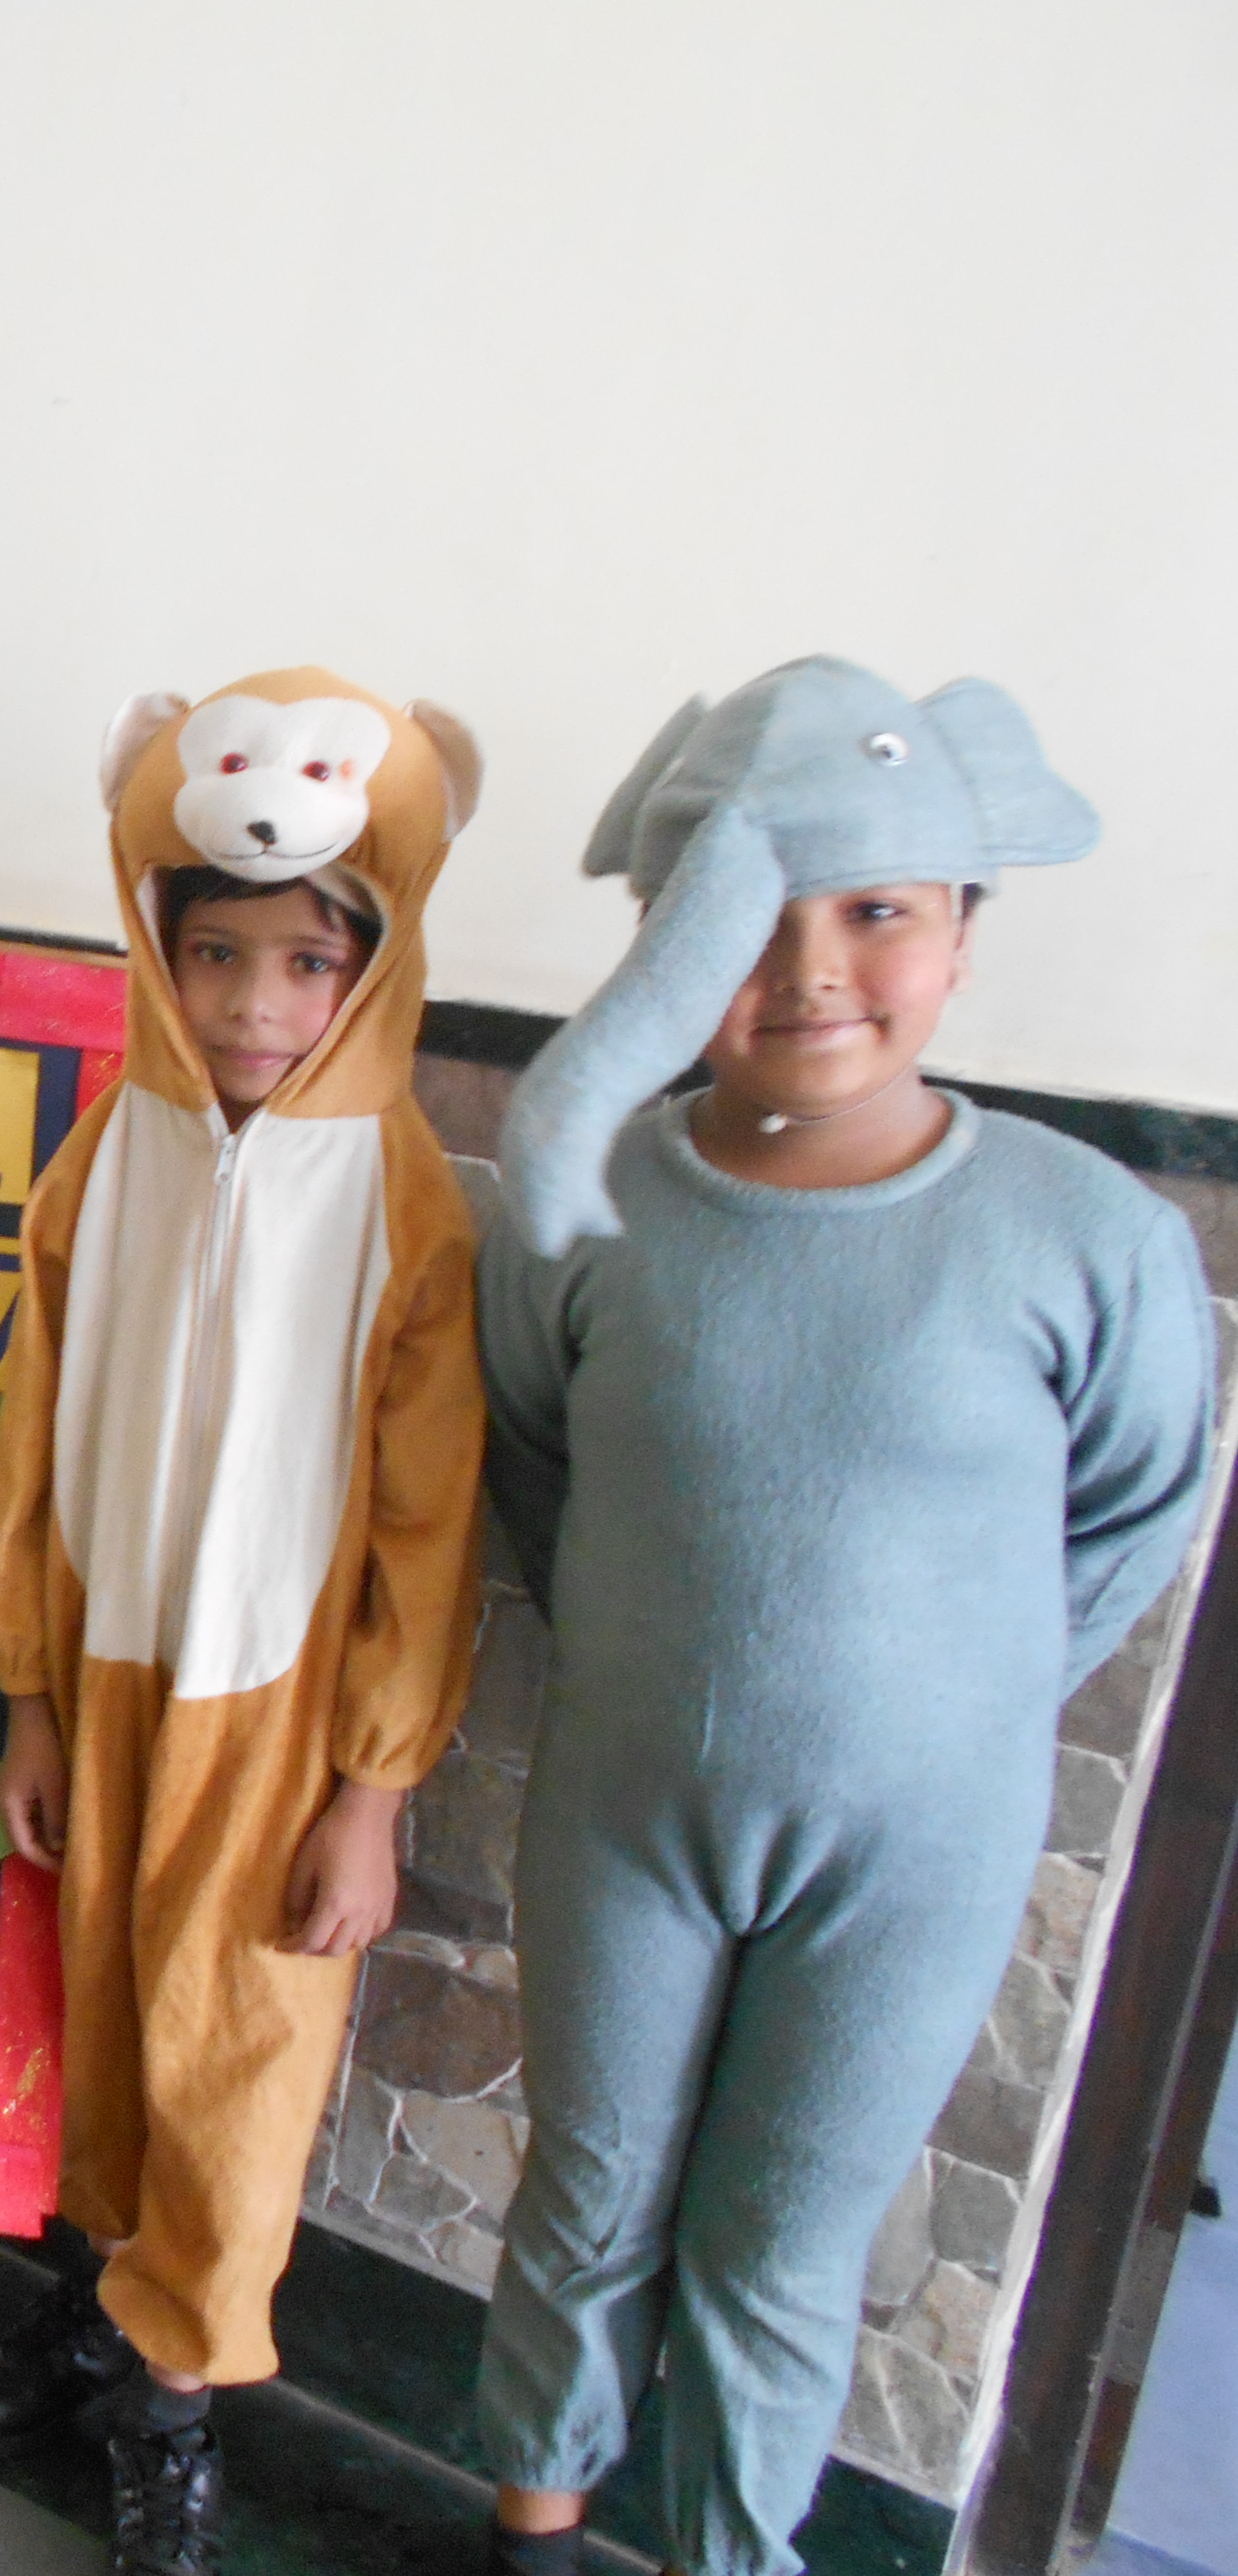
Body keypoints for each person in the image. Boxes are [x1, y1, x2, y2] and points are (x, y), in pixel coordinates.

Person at [475, 658, 1219, 2576]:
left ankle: (732, 2551)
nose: (811, 971)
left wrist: (950, 1705)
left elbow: (1137, 1505)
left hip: (920, 1855)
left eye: (875, 909)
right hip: (627, 1814)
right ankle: (536, 2532)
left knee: (784, 2245)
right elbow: (537, 1454)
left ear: (962, 929)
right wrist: (656, 1655)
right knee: (588, 2192)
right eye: (744, 920)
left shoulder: (1089, 1236)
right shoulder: (591, 1199)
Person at [0, 672, 491, 2573]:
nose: (257, 1006)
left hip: (276, 1718)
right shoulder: (109, 1156)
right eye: (216, 956)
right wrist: (32, 1690)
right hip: (108, 1670)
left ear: (373, 964)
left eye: (305, 963)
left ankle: (175, 2413)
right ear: (156, 950)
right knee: (108, 2022)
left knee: (238, 2063)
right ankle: (102, 2317)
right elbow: (35, 1430)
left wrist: (372, 1787)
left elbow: (428, 1521)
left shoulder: (403, 1200)